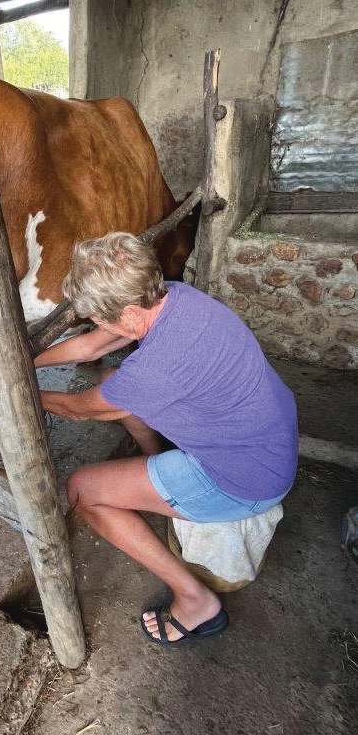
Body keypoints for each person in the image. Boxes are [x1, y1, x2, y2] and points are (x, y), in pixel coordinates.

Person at [34, 232, 298, 648]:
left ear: (127, 312)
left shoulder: (156, 368)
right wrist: (24, 359)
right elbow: (88, 350)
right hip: (265, 441)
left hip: (245, 480)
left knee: (83, 491)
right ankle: (158, 469)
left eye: (100, 319)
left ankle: (196, 602)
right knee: (112, 380)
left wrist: (16, 388)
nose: (98, 328)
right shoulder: (171, 296)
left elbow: (75, 408)